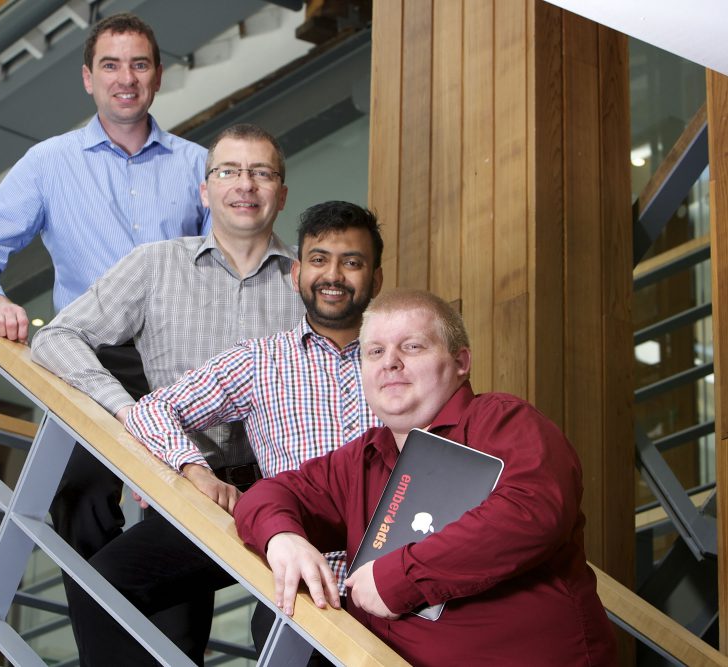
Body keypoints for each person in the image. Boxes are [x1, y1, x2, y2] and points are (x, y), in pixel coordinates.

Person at [31, 124, 304, 665]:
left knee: (287, 632)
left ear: (281, 193)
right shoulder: (155, 264)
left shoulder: (308, 277)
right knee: (171, 646)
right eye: (228, 171)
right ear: (205, 191)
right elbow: (56, 337)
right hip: (184, 481)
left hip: (280, 487)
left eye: (261, 172)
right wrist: (128, 413)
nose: (244, 184)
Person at [234, 288, 618, 666]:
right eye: (375, 352)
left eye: (412, 347)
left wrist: (398, 579)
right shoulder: (360, 461)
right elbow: (267, 495)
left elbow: (531, 512)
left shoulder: (502, 421)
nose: (390, 362)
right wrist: (282, 538)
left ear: (461, 362)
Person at [124, 201, 385, 650]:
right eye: (319, 259)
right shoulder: (260, 361)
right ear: (296, 274)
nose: (333, 275)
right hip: (299, 580)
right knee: (115, 576)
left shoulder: (402, 361)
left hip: (394, 574)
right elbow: (152, 409)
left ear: (375, 279)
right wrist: (194, 469)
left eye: (352, 263)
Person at [0, 12, 209, 344]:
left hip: (184, 353)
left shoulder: (202, 164)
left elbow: (229, 269)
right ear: (88, 78)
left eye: (140, 65)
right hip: (86, 356)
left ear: (158, 77)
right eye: (110, 65)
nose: (127, 78)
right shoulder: (48, 163)